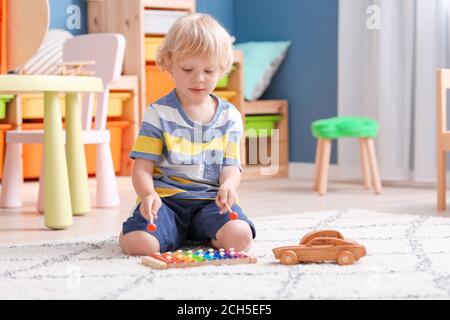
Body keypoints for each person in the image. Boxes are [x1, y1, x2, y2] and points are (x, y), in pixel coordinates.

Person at [119, 13, 256, 256]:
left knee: (241, 236)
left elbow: (231, 166)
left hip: (210, 203)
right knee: (139, 245)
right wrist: (148, 195)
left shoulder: (230, 117)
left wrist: (228, 186)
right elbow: (142, 168)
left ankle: (200, 233)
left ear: (222, 68)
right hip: (166, 202)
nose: (199, 78)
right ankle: (166, 233)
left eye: (209, 70)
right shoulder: (158, 113)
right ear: (170, 63)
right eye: (188, 68)